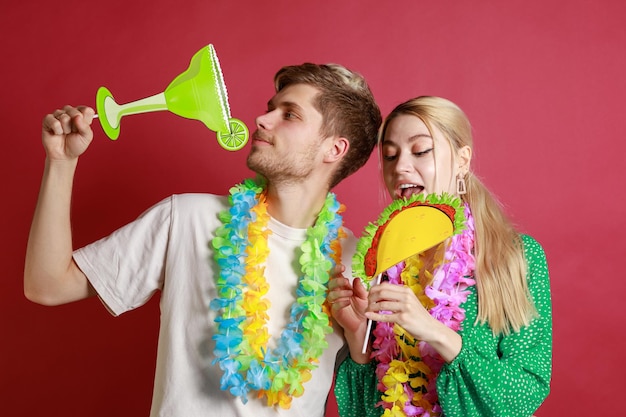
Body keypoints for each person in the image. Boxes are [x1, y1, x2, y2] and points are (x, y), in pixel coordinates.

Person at [24, 63, 382, 417]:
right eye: (271, 108)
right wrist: (60, 162)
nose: (262, 119)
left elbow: (368, 398)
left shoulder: (358, 265)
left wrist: (361, 343)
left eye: (289, 115)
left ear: (334, 149)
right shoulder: (187, 218)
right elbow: (48, 285)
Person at [328, 96, 552, 416]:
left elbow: (524, 393)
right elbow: (363, 410)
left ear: (462, 159)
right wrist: (358, 338)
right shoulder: (382, 264)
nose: (400, 167)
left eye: (420, 151)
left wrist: (434, 332)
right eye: (390, 156)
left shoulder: (515, 256)